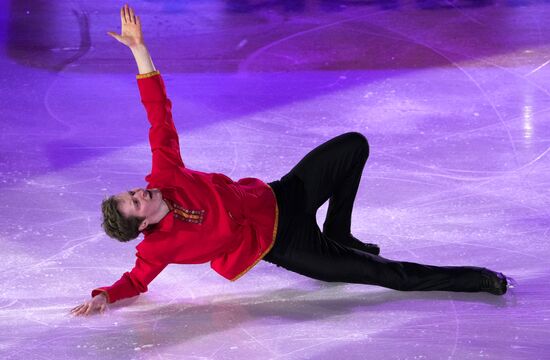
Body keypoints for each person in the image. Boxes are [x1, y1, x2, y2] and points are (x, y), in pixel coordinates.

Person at [71, 5, 511, 317]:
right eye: (135, 202)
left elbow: (159, 115)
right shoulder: (156, 247)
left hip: (286, 192)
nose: (139, 191)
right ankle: (479, 279)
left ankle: (340, 228)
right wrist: (106, 295)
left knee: (353, 145)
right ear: (142, 225)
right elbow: (137, 280)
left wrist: (138, 50)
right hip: (285, 245)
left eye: (131, 191)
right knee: (386, 275)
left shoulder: (165, 175)